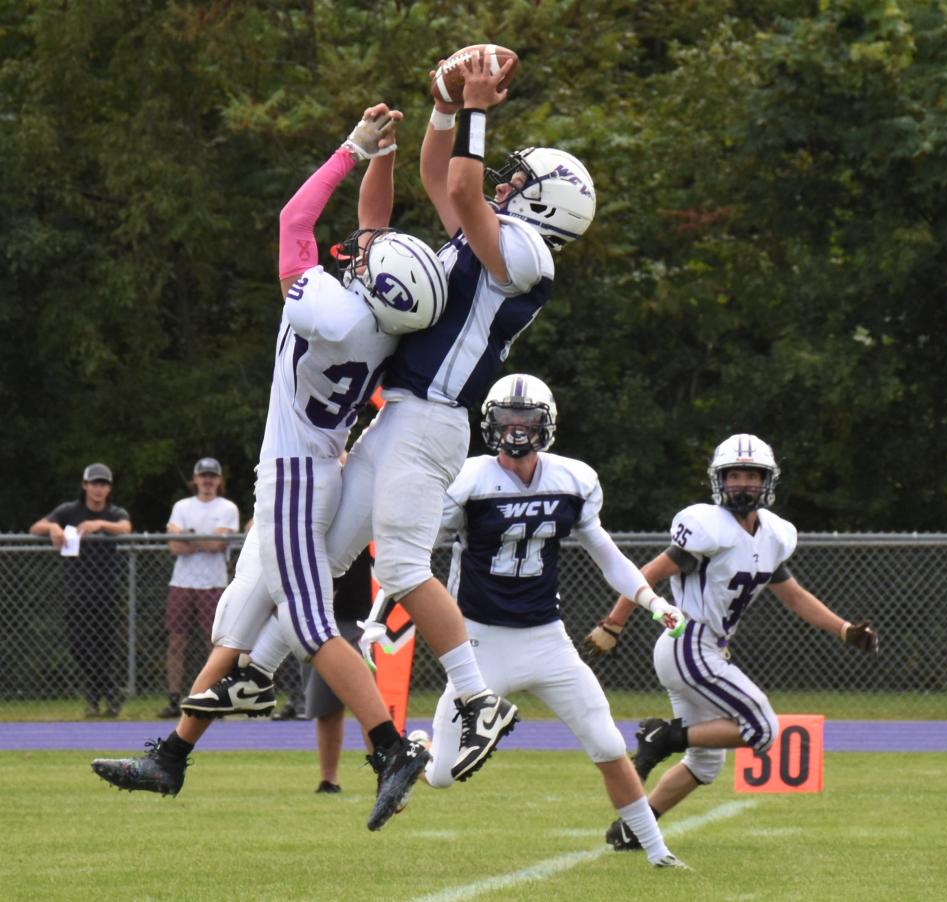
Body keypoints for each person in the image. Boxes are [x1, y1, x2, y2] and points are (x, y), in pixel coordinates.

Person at [180, 53, 598, 785]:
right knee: (325, 558)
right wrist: (441, 108)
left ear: (547, 208)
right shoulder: (494, 232)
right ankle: (261, 670)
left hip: (432, 418)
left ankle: (478, 698)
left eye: (522, 184)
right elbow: (446, 176)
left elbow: (464, 185)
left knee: (402, 567)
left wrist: (475, 108)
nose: (507, 185)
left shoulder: (529, 254)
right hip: (401, 414)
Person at [92, 102, 447, 832]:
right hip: (315, 471)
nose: (359, 248)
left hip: (293, 477)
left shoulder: (333, 311)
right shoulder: (380, 326)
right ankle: (172, 757)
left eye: (366, 256)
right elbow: (374, 232)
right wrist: (385, 155)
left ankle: (389, 748)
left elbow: (293, 222)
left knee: (313, 625)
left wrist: (349, 148)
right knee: (240, 618)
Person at [408, 373, 687, 868]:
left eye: (527, 418)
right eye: (507, 419)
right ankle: (419, 751)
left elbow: (606, 554)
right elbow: (412, 553)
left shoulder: (572, 479)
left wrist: (650, 601)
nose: (517, 428)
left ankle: (657, 851)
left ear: (546, 423)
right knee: (445, 775)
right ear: (490, 423)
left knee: (606, 741)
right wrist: (378, 617)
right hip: (477, 643)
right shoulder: (467, 480)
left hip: (546, 639)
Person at [585, 433, 880, 850]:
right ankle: (664, 736)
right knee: (762, 727)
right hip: (689, 640)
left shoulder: (773, 535)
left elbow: (794, 595)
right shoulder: (708, 527)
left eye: (752, 476)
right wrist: (614, 624)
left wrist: (844, 629)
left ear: (767, 482)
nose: (743, 484)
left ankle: (635, 827)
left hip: (704, 649)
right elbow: (646, 574)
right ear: (718, 480)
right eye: (734, 475)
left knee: (705, 763)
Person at [30, 463, 133, 717]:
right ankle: (110, 690)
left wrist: (99, 524)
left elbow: (125, 527)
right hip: (76, 590)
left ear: (109, 488)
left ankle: (98, 699)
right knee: (79, 645)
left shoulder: (113, 512)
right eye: (94, 483)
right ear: (85, 485)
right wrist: (53, 528)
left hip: (107, 590)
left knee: (105, 645)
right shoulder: (69, 510)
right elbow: (36, 527)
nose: (99, 489)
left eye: (104, 484)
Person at [158, 457, 240, 718]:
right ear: (194, 479)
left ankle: (214, 697)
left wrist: (190, 538)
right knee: (175, 642)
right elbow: (174, 545)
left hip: (213, 584)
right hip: (182, 582)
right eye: (202, 476)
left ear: (218, 480)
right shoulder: (182, 506)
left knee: (214, 642)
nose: (207, 481)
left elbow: (218, 544)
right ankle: (173, 698)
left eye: (212, 476)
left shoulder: (227, 507)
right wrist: (205, 539)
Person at [305, 545, 374, 793]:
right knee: (326, 707)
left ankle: (386, 772)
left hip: (368, 620)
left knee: (371, 704)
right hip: (326, 620)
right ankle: (328, 780)